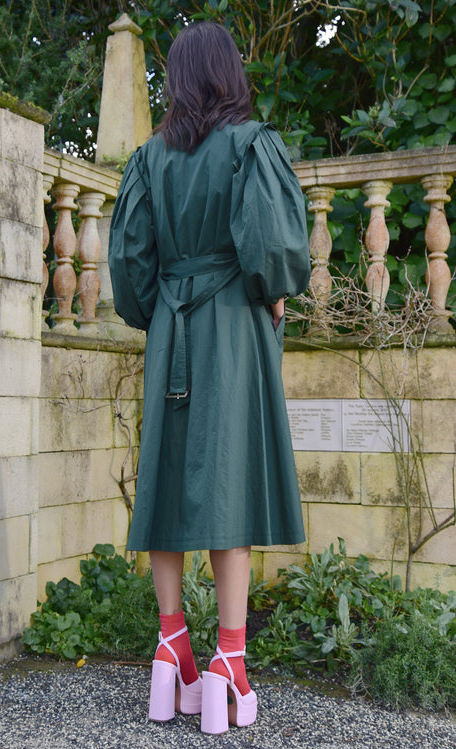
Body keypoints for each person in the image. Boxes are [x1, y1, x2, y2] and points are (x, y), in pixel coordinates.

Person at [108, 21, 310, 735]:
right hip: (231, 328)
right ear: (229, 75)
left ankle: (171, 642)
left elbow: (131, 270)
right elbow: (275, 257)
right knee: (228, 484)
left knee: (164, 477)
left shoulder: (146, 160)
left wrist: (161, 309)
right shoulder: (252, 146)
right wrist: (276, 296)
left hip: (173, 328)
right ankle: (230, 660)